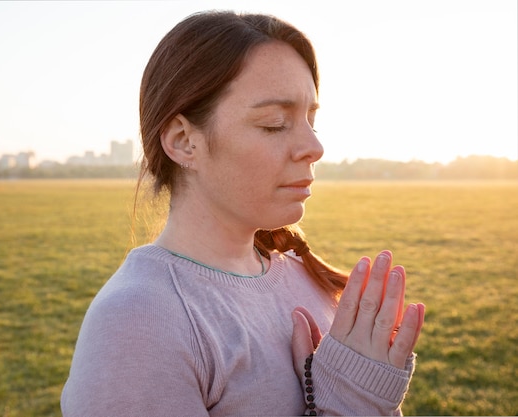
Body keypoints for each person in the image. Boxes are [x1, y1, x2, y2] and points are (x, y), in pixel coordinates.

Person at [61, 10, 425, 416]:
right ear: (184, 141)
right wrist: (347, 404)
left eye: (311, 119)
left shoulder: (306, 279)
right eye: (274, 124)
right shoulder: (137, 325)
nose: (314, 147)